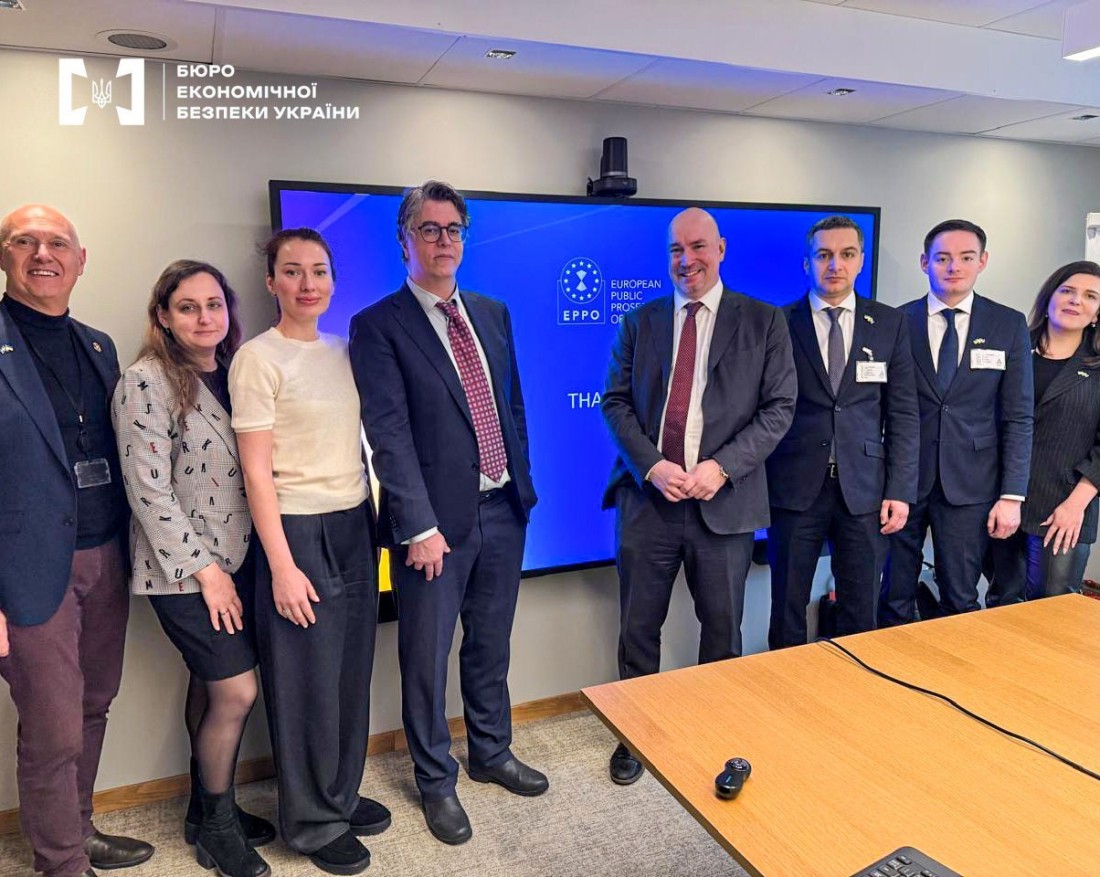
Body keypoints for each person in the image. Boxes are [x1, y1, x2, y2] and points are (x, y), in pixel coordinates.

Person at [349, 180, 544, 847]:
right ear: (404, 240)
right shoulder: (378, 325)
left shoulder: (491, 311)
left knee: (491, 646)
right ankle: (436, 781)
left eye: (453, 229)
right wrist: (419, 526)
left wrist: (522, 488)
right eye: (428, 229)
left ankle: (491, 752)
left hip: (503, 511)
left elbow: (512, 406)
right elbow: (388, 433)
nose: (443, 241)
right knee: (427, 660)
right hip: (432, 531)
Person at [600, 207, 797, 785]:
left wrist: (721, 468)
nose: (687, 260)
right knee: (638, 630)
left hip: (725, 505)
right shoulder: (639, 322)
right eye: (676, 250)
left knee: (722, 631)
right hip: (649, 504)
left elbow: (779, 408)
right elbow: (615, 402)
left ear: (721, 248)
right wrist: (653, 466)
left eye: (698, 247)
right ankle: (635, 736)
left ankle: (714, 729)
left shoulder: (763, 321)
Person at [0, 204, 154, 877]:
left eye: (58, 243)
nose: (43, 254)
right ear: (4, 256)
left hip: (105, 554)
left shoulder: (98, 346)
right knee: (53, 725)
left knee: (94, 704)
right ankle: (60, 863)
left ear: (80, 260)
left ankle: (79, 828)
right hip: (27, 569)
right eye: (25, 241)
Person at [229, 229, 387, 876]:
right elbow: (256, 473)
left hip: (354, 522)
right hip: (295, 530)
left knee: (349, 672)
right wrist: (283, 567)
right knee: (305, 684)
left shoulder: (345, 350)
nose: (307, 283)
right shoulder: (256, 359)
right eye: (292, 271)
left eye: (319, 270)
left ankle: (340, 795)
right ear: (271, 282)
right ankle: (312, 820)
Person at [113, 260, 274, 877]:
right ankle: (218, 833)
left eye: (214, 305)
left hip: (241, 558)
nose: (205, 317)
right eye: (188, 307)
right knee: (237, 690)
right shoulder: (145, 381)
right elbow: (148, 491)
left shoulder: (235, 372)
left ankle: (205, 811)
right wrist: (207, 573)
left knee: (210, 683)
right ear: (163, 316)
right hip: (183, 571)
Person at [766, 216, 919, 648]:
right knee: (787, 604)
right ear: (807, 263)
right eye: (824, 255)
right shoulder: (778, 322)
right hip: (793, 488)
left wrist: (901, 490)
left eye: (846, 254)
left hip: (865, 491)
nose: (835, 264)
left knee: (861, 607)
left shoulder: (889, 323)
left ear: (861, 260)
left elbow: (903, 414)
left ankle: (852, 688)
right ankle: (785, 684)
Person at [879, 219, 1033, 625]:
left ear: (982, 261)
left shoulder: (1007, 324)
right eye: (942, 258)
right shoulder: (896, 322)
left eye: (966, 257)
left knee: (961, 598)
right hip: (902, 483)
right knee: (893, 594)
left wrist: (1012, 495)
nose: (954, 267)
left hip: (972, 484)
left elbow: (1018, 416)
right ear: (924, 262)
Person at [986, 262, 1100, 601]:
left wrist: (1076, 505)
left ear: (1097, 313)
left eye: (1090, 296)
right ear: (1049, 298)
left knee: (1051, 608)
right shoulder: (1010, 351)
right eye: (1067, 291)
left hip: (1063, 506)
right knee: (1001, 602)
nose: (1076, 300)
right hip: (998, 498)